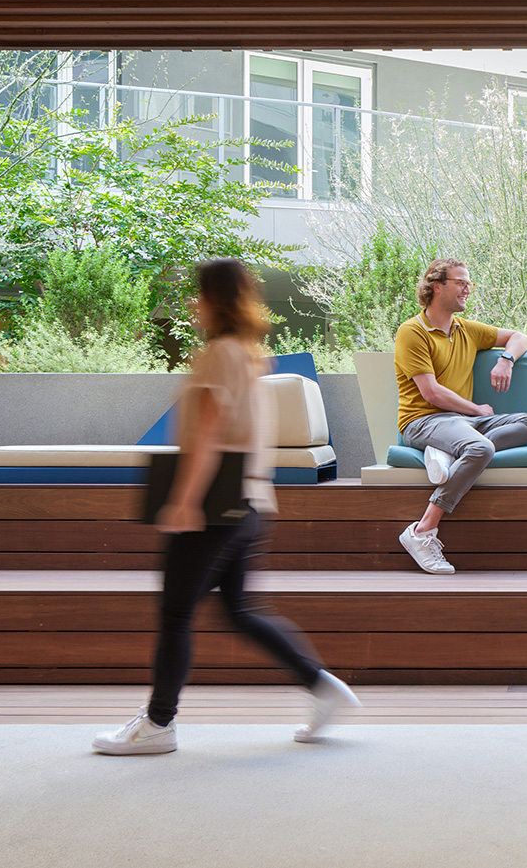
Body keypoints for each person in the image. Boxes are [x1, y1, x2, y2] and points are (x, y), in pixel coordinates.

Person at [94, 258, 360, 754]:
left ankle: (157, 725)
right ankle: (323, 686)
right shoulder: (250, 354)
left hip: (213, 507)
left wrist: (184, 502)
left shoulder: (218, 354)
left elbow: (210, 436)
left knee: (176, 614)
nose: (193, 303)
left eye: (198, 294)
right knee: (238, 608)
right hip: (250, 502)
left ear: (216, 299)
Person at [392, 258, 527, 574]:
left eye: (469, 283)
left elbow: (520, 337)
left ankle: (452, 451)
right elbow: (431, 393)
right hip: (424, 421)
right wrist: (476, 409)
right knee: (481, 448)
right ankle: (422, 531)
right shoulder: (412, 331)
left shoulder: (466, 329)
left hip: (462, 423)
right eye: (460, 282)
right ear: (437, 286)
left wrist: (506, 360)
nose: (467, 289)